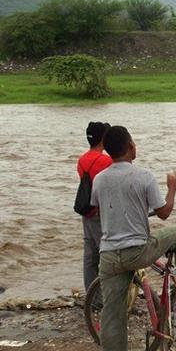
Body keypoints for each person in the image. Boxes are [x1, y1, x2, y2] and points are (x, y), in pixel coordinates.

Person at [92, 125, 176, 351]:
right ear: (131, 147)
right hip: (138, 251)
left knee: (112, 316)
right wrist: (172, 188)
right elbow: (164, 213)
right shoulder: (143, 176)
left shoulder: (99, 180)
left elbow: (104, 208)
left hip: (109, 256)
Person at [77, 121, 112, 293]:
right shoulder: (106, 160)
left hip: (87, 211)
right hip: (102, 212)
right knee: (108, 254)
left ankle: (91, 294)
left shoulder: (82, 160)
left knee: (90, 255)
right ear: (103, 139)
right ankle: (108, 294)